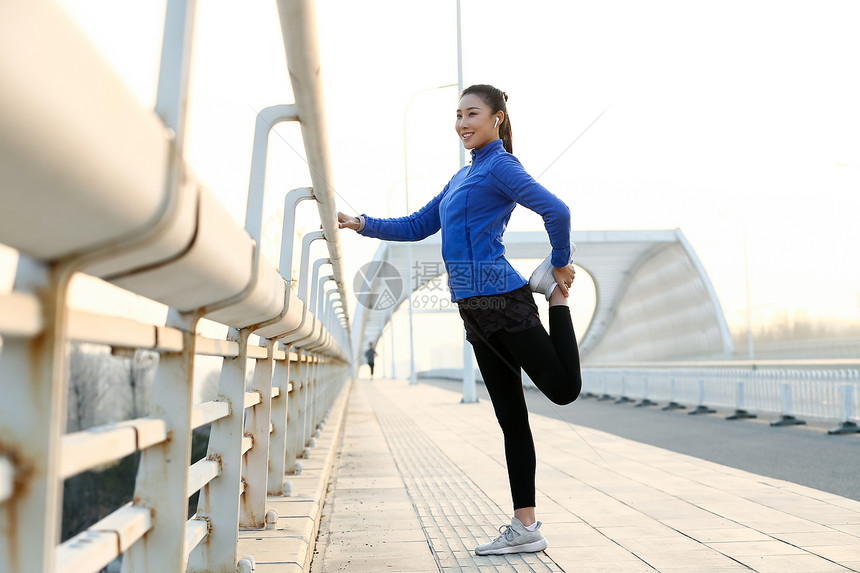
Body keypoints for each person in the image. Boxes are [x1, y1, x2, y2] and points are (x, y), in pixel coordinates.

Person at [338, 84, 581, 556]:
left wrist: (560, 261)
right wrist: (362, 223)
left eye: (472, 113)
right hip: (473, 311)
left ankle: (554, 295)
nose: (462, 123)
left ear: (498, 120)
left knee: (563, 390)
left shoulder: (502, 167)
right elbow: (416, 225)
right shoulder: (460, 178)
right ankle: (525, 526)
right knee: (511, 418)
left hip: (503, 302)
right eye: (457, 115)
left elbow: (557, 210)